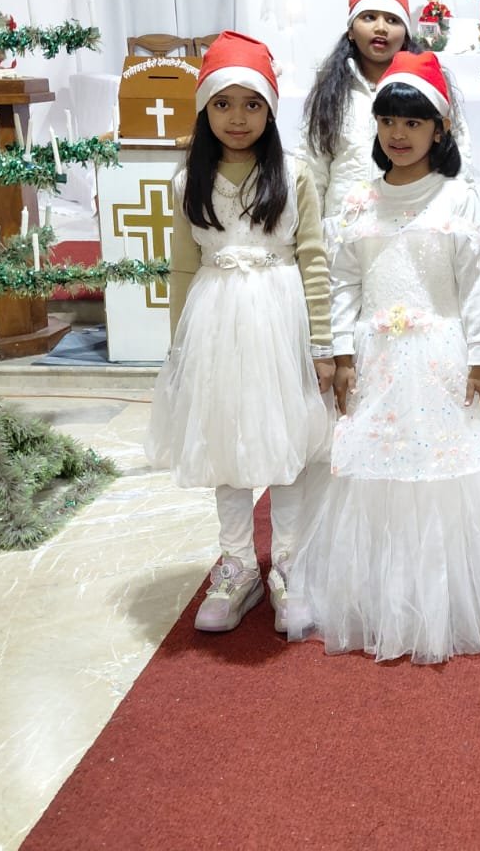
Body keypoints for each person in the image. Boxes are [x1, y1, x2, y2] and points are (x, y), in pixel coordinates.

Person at [285, 51, 480, 663]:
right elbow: (345, 284)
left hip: (447, 358)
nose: (399, 134)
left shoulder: (456, 199)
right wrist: (342, 352)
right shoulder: (359, 202)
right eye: (388, 121)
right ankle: (382, 596)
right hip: (379, 362)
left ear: (440, 129)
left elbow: (477, 286)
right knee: (377, 476)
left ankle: (452, 598)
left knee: (450, 479)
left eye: (413, 121)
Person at [145, 31, 335, 633]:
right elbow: (182, 267)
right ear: (204, 108)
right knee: (223, 442)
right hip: (215, 324)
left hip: (282, 320)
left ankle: (289, 563)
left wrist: (323, 344)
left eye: (253, 104)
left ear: (271, 110)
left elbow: (313, 259)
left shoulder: (294, 175)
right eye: (223, 103)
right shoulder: (187, 181)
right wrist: (179, 348)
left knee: (287, 444)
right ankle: (236, 564)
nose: (237, 117)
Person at [300, 0, 473, 220]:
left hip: (418, 221)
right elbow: (313, 167)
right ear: (351, 31)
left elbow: (459, 154)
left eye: (392, 20)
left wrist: (456, 215)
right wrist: (312, 233)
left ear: (406, 34)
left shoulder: (429, 86)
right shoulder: (332, 91)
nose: (381, 28)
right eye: (369, 17)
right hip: (345, 225)